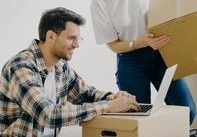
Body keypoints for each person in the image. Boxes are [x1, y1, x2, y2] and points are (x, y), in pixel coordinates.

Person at [86, 0, 197, 125]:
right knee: (138, 117)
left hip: (161, 54)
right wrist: (140, 42)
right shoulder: (99, 3)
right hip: (131, 61)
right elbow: (113, 45)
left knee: (188, 111)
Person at [0, 7, 139, 137]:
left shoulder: (60, 67)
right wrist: (108, 106)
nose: (77, 45)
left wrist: (114, 98)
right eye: (71, 38)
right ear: (51, 36)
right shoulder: (21, 66)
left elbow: (86, 94)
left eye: (78, 39)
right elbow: (48, 115)